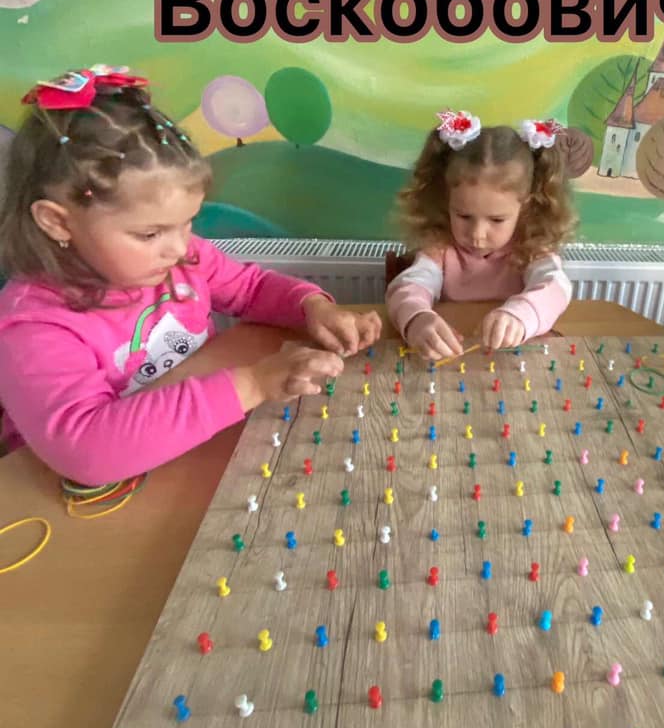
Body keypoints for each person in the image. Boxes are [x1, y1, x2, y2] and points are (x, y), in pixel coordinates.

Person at [0, 66, 380, 484]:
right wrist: (252, 384)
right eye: (150, 234)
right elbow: (87, 449)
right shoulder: (32, 324)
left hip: (189, 453)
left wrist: (310, 306)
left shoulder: (180, 258)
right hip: (80, 498)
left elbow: (251, 288)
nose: (181, 248)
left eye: (188, 223)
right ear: (58, 222)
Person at [387, 111, 575, 359]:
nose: (477, 235)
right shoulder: (440, 247)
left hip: (509, 358)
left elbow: (556, 287)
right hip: (452, 357)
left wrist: (521, 315)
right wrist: (417, 319)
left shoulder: (531, 247)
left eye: (496, 220)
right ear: (446, 200)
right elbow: (410, 286)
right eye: (464, 216)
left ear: (526, 206)